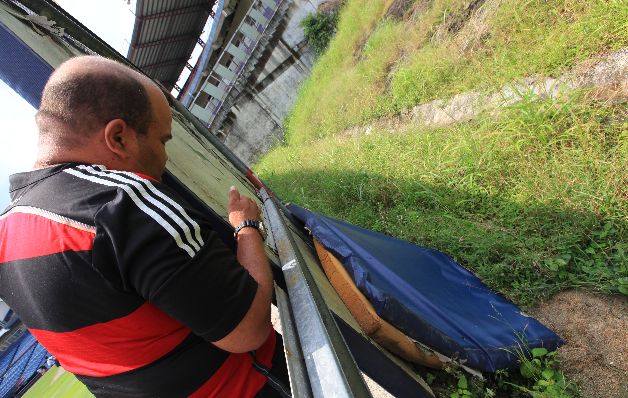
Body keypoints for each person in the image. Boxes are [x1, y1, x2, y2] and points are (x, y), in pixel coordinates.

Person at [0, 56, 288, 397]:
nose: (164, 157)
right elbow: (248, 328)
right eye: (162, 140)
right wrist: (247, 227)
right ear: (119, 138)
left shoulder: (7, 236)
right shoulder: (118, 203)